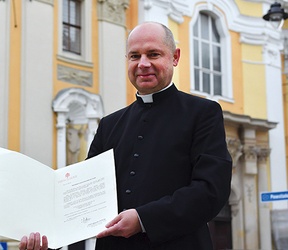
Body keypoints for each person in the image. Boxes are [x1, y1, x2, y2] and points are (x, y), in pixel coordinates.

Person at [19, 21, 232, 250]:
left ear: (175, 57)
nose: (143, 64)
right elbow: (86, 196)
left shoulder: (202, 114)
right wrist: (49, 238)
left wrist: (143, 219)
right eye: (134, 56)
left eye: (153, 54)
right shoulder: (109, 125)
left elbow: (210, 190)